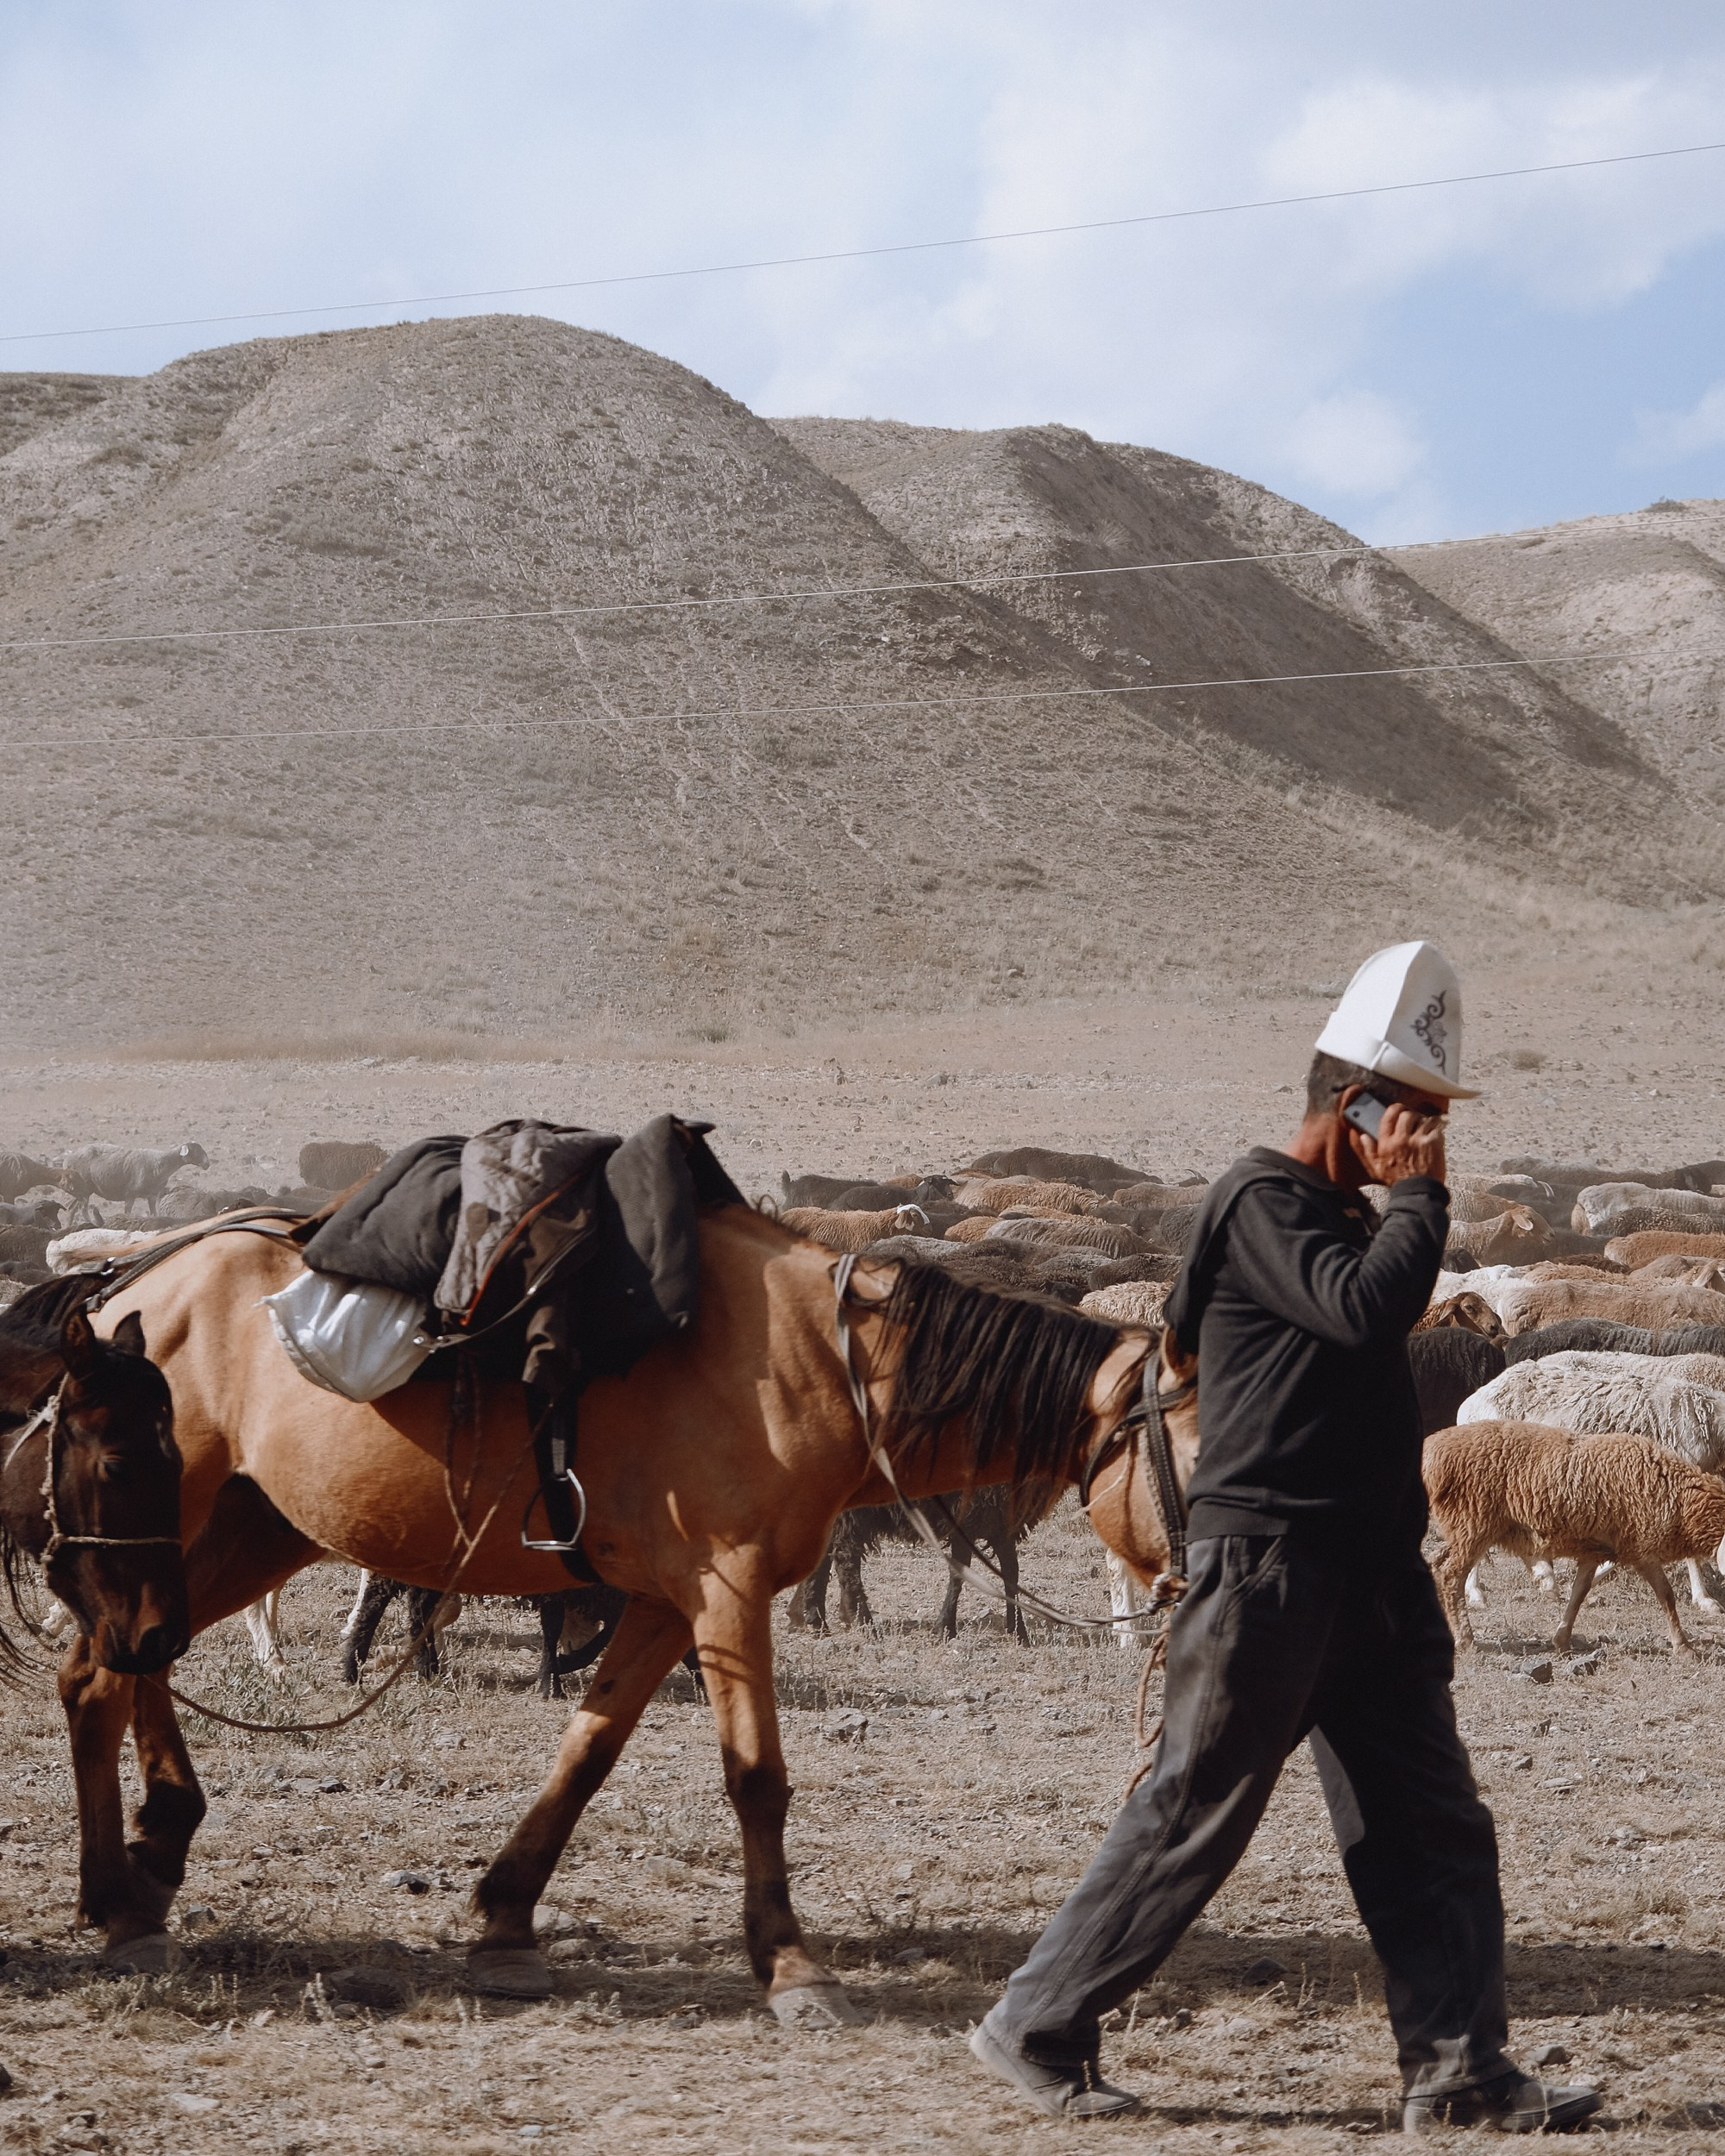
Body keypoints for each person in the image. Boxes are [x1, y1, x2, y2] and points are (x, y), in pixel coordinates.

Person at [971, 942, 1601, 2133]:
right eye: (1412, 1114)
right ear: (1351, 1101)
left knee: (1431, 1820)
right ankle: (1037, 2023)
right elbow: (1366, 1312)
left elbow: (1247, 1333)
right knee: (1197, 1805)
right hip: (1270, 1569)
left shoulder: (1337, 1217)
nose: (1430, 1140)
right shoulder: (1263, 1201)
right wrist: (1418, 1200)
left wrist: (1394, 1205)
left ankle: (1461, 2073)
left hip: (1367, 1571)